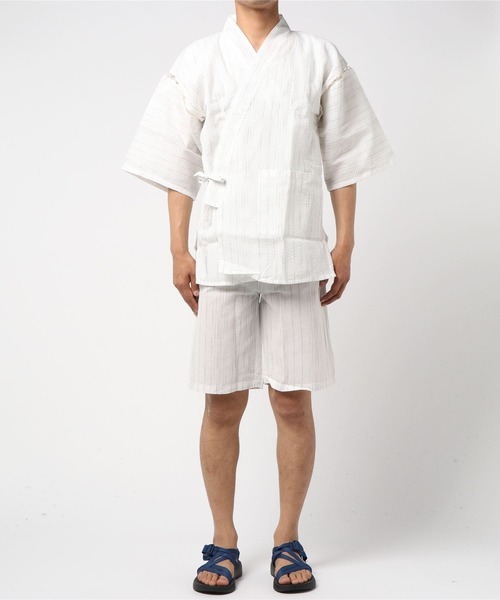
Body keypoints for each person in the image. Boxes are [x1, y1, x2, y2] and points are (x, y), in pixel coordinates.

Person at [122, 0, 395, 593]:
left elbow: (344, 155)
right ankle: (223, 540)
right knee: (222, 403)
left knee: (292, 402)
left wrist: (345, 241)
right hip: (222, 249)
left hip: (296, 245)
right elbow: (178, 159)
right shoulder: (200, 59)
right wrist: (178, 249)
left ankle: (287, 537)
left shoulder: (319, 58)